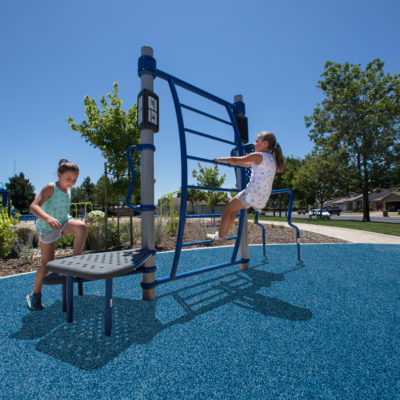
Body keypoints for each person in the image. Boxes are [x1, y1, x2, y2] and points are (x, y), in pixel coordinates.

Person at [26, 159, 87, 310]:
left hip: (64, 223)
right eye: (68, 179)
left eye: (74, 179)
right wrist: (47, 218)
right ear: (59, 175)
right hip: (47, 228)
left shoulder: (69, 189)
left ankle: (76, 263)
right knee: (47, 264)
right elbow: (33, 206)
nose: (72, 182)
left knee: (81, 227)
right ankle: (35, 296)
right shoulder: (50, 187)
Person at [207, 132, 284, 245]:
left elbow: (237, 159)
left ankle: (219, 237)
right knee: (232, 209)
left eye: (256, 141)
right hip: (261, 198)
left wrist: (220, 159)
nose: (254, 143)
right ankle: (222, 235)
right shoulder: (272, 158)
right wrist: (232, 163)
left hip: (251, 194)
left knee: (227, 208)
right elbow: (247, 164)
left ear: (265, 143)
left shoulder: (259, 155)